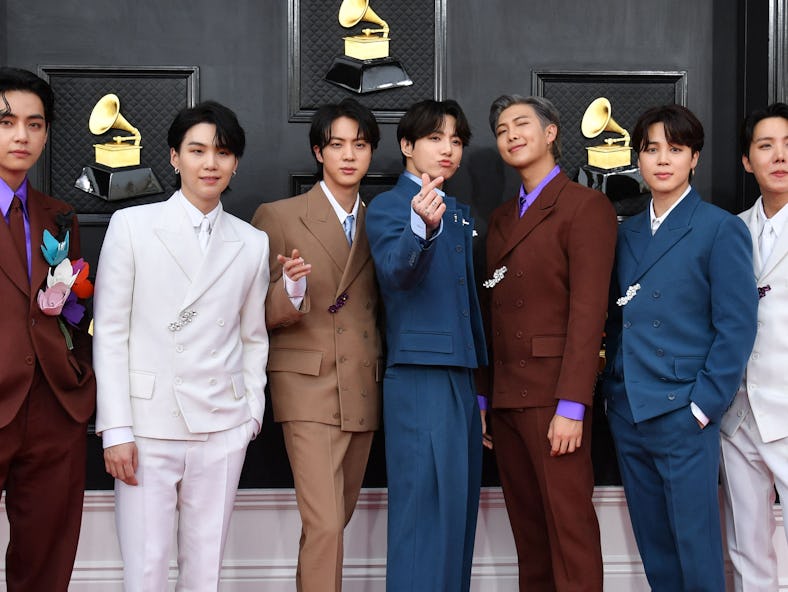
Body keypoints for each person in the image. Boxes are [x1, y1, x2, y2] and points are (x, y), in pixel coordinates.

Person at [93, 101, 269, 590]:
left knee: (204, 570)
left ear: (235, 163)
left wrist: (251, 412)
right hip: (147, 428)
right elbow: (110, 332)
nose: (210, 163)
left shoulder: (251, 242)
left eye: (222, 152)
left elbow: (253, 336)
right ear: (174, 157)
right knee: (145, 570)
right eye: (197, 150)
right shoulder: (132, 226)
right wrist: (115, 428)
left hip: (222, 424)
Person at [601, 103, 758, 591]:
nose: (662, 159)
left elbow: (736, 327)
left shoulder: (719, 227)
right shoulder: (624, 231)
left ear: (695, 159)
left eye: (676, 148)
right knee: (655, 546)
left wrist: (702, 407)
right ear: (638, 159)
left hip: (684, 411)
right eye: (652, 149)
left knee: (695, 546)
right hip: (629, 409)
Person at [482, 94, 616, 591]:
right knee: (531, 538)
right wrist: (483, 395)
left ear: (551, 132)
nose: (511, 134)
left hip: (555, 399)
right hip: (507, 400)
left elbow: (589, 315)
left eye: (521, 124)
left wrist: (573, 405)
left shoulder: (586, 207)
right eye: (501, 129)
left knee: (569, 533)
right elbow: (488, 307)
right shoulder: (498, 219)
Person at [250, 98, 382, 592]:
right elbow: (253, 314)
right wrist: (292, 291)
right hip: (307, 386)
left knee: (331, 525)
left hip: (363, 387)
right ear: (317, 151)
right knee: (326, 525)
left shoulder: (383, 220)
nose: (349, 155)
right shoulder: (280, 216)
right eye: (337, 144)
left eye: (361, 144)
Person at [365, 99, 487, 592]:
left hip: (459, 379)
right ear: (407, 146)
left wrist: (479, 392)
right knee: (422, 516)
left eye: (456, 140)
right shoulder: (391, 207)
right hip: (417, 377)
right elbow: (397, 272)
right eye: (436, 138)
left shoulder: (460, 211)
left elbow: (468, 303)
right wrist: (421, 227)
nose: (448, 149)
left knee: (457, 515)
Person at [0, 66, 96, 592]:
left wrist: (76, 376)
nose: (21, 135)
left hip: (53, 407)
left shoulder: (59, 215)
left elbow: (72, 308)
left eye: (34, 124)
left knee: (46, 563)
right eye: (7, 121)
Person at [720, 101, 788, 592]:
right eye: (766, 146)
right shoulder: (730, 229)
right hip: (738, 414)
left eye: (787, 145)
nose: (779, 156)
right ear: (747, 160)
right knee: (747, 548)